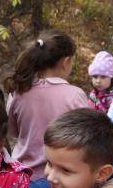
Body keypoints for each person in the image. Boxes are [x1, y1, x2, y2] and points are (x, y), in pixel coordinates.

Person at [5, 30, 88, 178]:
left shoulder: (19, 92)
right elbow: (86, 137)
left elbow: (13, 131)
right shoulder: (75, 95)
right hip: (59, 177)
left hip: (20, 175)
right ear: (66, 62)